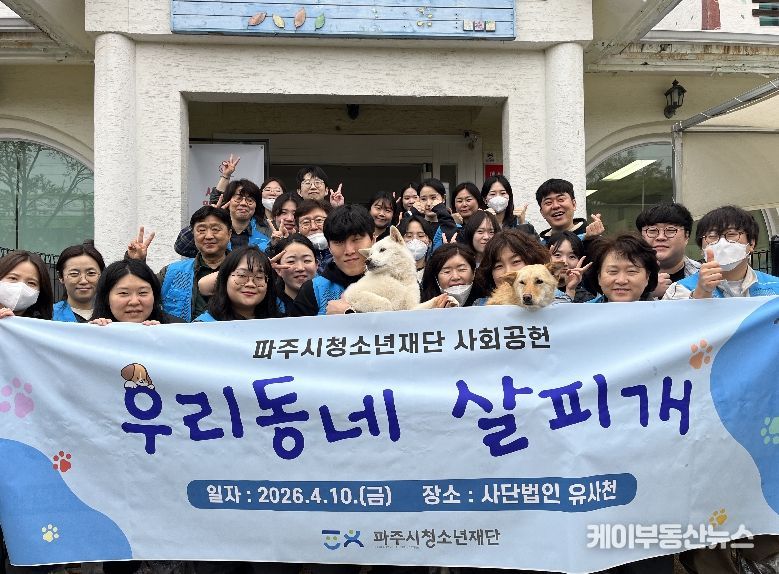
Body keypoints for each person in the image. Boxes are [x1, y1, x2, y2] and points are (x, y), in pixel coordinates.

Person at [128, 206, 232, 322]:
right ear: (193, 235)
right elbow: (139, 292)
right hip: (181, 334)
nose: (208, 236)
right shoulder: (171, 273)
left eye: (216, 229)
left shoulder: (243, 271)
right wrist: (136, 262)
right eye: (201, 230)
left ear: (229, 234)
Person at [664, 205, 779, 300]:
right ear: (701, 249)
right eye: (712, 236)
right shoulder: (679, 290)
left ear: (752, 243)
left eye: (731, 234)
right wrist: (700, 294)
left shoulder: (775, 287)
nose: (722, 243)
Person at [291, 204, 374, 316]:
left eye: (356, 239)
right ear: (329, 247)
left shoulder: (393, 282)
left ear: (373, 240)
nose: (349, 251)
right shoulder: (312, 290)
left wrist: (349, 313)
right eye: (339, 242)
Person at [194, 246, 280, 322]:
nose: (250, 284)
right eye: (242, 275)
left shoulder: (279, 323)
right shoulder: (203, 327)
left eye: (259, 277)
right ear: (225, 279)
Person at [635, 202, 700, 298]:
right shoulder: (626, 277)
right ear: (641, 236)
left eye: (670, 230)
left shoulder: (703, 276)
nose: (660, 237)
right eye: (652, 231)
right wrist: (646, 292)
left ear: (686, 236)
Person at [90, 259, 182, 325]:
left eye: (142, 292)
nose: (134, 302)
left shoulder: (176, 329)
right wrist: (95, 334)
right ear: (106, 298)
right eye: (124, 293)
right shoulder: (88, 334)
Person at [475, 229, 553, 302]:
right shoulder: (480, 308)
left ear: (533, 261)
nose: (508, 271)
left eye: (516, 261)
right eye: (498, 266)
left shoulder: (558, 303)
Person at [585, 234, 659, 303]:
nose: (621, 281)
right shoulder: (584, 311)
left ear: (647, 277)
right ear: (599, 277)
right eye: (613, 271)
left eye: (631, 271)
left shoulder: (662, 312)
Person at [535, 178, 604, 245]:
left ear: (574, 204)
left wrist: (591, 242)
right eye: (548, 202)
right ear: (542, 213)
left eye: (560, 199)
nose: (555, 206)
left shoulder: (594, 239)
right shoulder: (540, 248)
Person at [53, 242, 106, 322]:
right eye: (74, 274)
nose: (83, 281)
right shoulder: (48, 316)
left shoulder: (114, 316)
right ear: (61, 277)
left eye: (91, 273)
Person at [420, 243, 484, 307]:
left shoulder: (486, 305)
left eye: (461, 269)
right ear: (436, 277)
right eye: (447, 272)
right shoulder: (421, 309)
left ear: (473, 272)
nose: (455, 277)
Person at [267, 235, 318, 315]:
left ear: (317, 265)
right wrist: (263, 270)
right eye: (291, 261)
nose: (300, 268)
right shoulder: (267, 304)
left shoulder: (331, 298)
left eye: (307, 260)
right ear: (278, 269)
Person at [0, 250, 53, 320]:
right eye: (13, 278)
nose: (21, 287)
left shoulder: (42, 325)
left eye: (31, 283)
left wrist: (14, 322)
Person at [547, 231, 595, 302]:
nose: (565, 262)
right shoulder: (535, 290)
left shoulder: (587, 301)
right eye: (557, 255)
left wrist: (570, 290)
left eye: (572, 256)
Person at [418, 178, 458, 251]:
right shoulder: (415, 225)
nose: (428, 203)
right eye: (423, 199)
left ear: (443, 198)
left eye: (433, 198)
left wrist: (441, 210)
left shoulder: (455, 225)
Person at [295, 199, 333, 272]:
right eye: (306, 222)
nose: (313, 227)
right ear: (298, 228)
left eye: (319, 220)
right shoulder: (293, 257)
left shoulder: (344, 252)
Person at [397, 214, 434, 281]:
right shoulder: (392, 273)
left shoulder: (435, 273)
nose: (415, 240)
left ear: (430, 242)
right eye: (409, 236)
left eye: (421, 236)